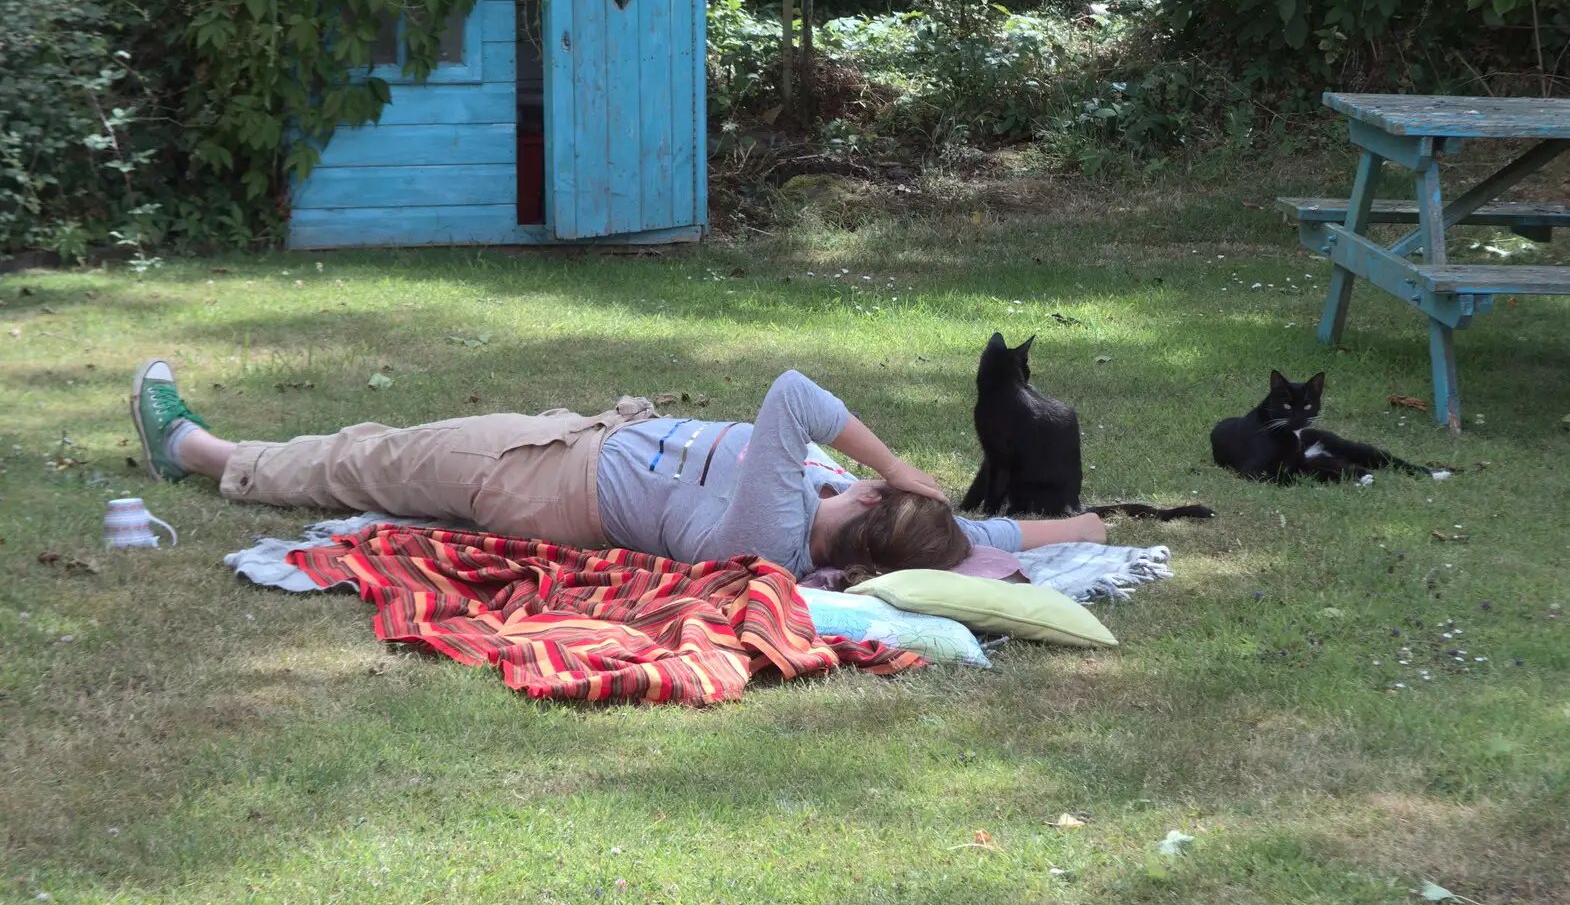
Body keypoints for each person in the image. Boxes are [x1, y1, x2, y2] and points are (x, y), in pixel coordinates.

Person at [130, 359, 1106, 582]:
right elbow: (997, 535)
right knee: (383, 450)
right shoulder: (851, 534)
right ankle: (215, 454)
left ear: (857, 508)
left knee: (373, 458)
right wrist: (1086, 527)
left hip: (546, 474)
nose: (868, 480)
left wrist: (898, 461)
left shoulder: (774, 518)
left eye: (870, 489)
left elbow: (793, 393)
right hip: (588, 443)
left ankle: (197, 451)